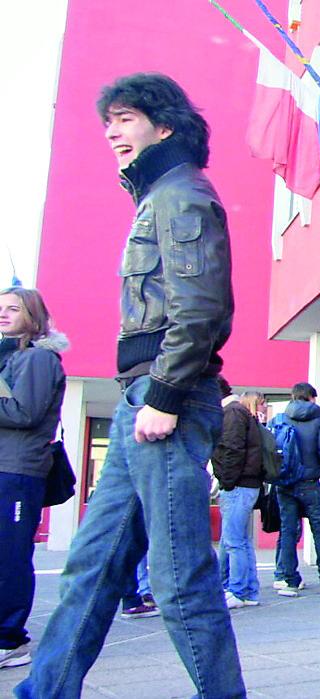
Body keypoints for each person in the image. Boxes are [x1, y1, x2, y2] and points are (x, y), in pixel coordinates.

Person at [17, 74, 246, 697]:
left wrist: (166, 397)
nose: (112, 132)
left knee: (179, 578)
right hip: (138, 402)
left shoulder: (181, 196)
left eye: (124, 118)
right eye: (107, 123)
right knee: (91, 569)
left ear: (163, 126)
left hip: (165, 397)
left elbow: (199, 310)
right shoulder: (157, 197)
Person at [0, 288, 68, 670]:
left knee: (9, 557)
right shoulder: (10, 358)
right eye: (0, 308)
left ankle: (9, 638)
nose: (3, 314)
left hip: (18, 470)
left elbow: (25, 412)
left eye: (13, 308)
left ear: (34, 315)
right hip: (6, 467)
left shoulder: (39, 359)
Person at [273, 382, 320, 596]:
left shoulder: (280, 418)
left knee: (287, 530)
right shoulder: (319, 421)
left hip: (285, 483)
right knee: (319, 530)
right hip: (309, 482)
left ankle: (291, 581)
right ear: (312, 397)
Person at [213, 383, 265, 609]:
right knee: (236, 540)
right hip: (245, 484)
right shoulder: (239, 413)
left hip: (238, 485)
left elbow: (232, 450)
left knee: (234, 541)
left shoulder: (232, 413)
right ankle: (244, 590)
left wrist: (226, 481)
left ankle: (238, 590)